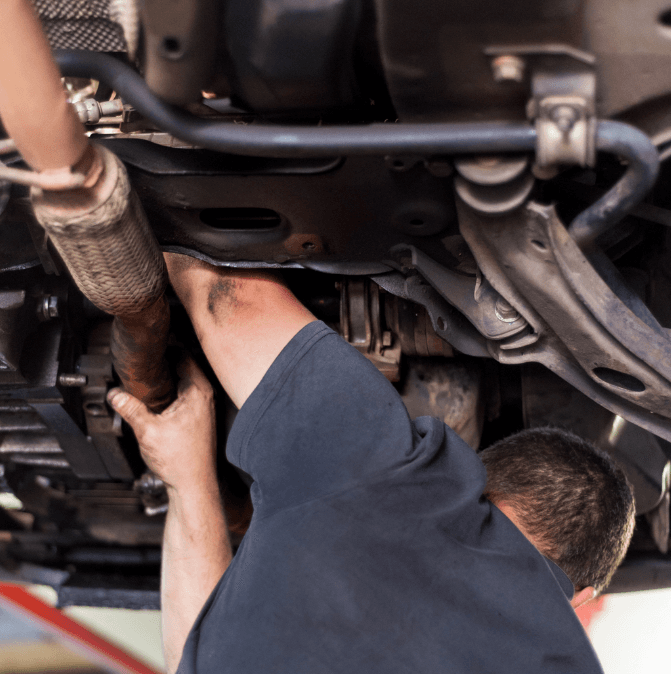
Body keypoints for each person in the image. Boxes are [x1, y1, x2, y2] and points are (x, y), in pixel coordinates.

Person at [107, 254, 635, 674]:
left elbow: (228, 298)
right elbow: (194, 660)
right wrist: (189, 480)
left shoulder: (382, 472)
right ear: (582, 598)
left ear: (481, 483)